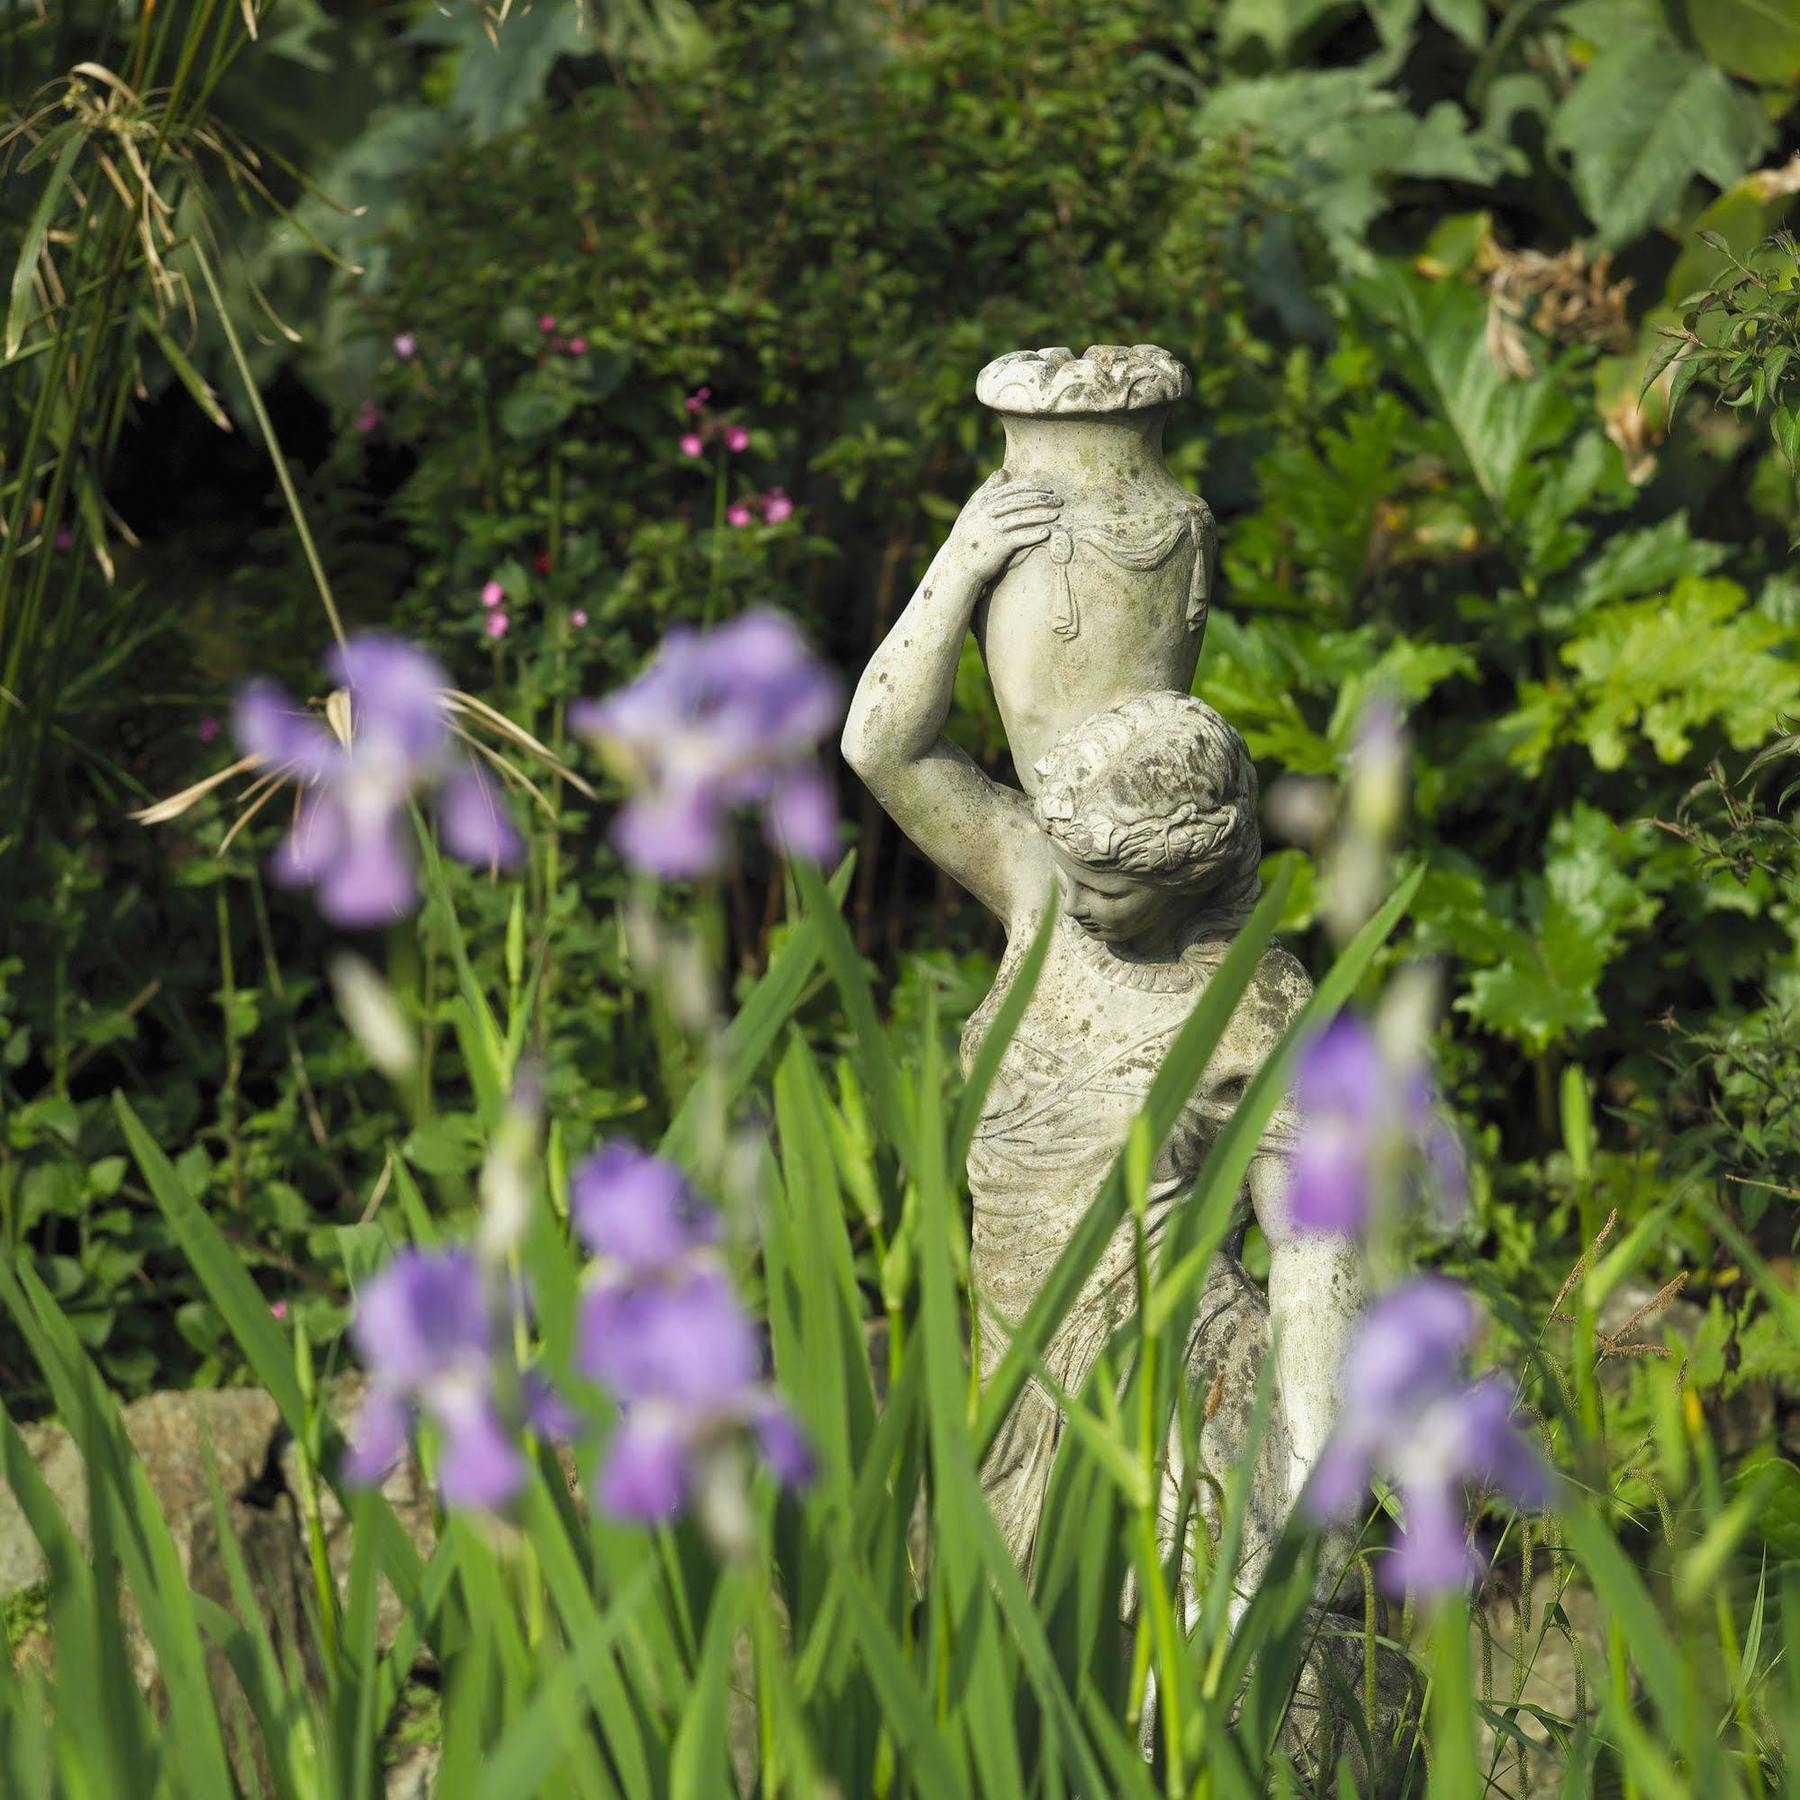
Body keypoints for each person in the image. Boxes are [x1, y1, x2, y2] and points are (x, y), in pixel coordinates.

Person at [840, 474, 1364, 1615]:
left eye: (1113, 888)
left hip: (1163, 1406)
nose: (1079, 902)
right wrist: (964, 558)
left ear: (1198, 866)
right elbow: (882, 749)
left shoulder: (1256, 1006)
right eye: (1071, 870)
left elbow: (1320, 1260)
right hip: (1008, 1377)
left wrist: (1318, 1487)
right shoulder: (1042, 884)